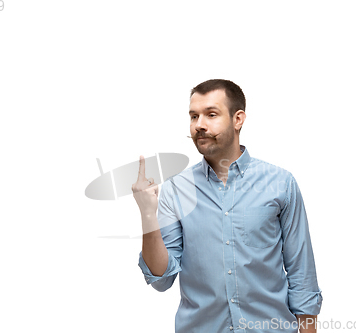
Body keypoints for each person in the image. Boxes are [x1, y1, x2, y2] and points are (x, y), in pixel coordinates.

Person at [132, 79, 322, 333]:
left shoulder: (280, 183)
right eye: (193, 116)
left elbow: (302, 271)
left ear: (238, 119)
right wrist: (147, 214)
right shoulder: (177, 189)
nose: (199, 125)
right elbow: (161, 279)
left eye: (211, 114)